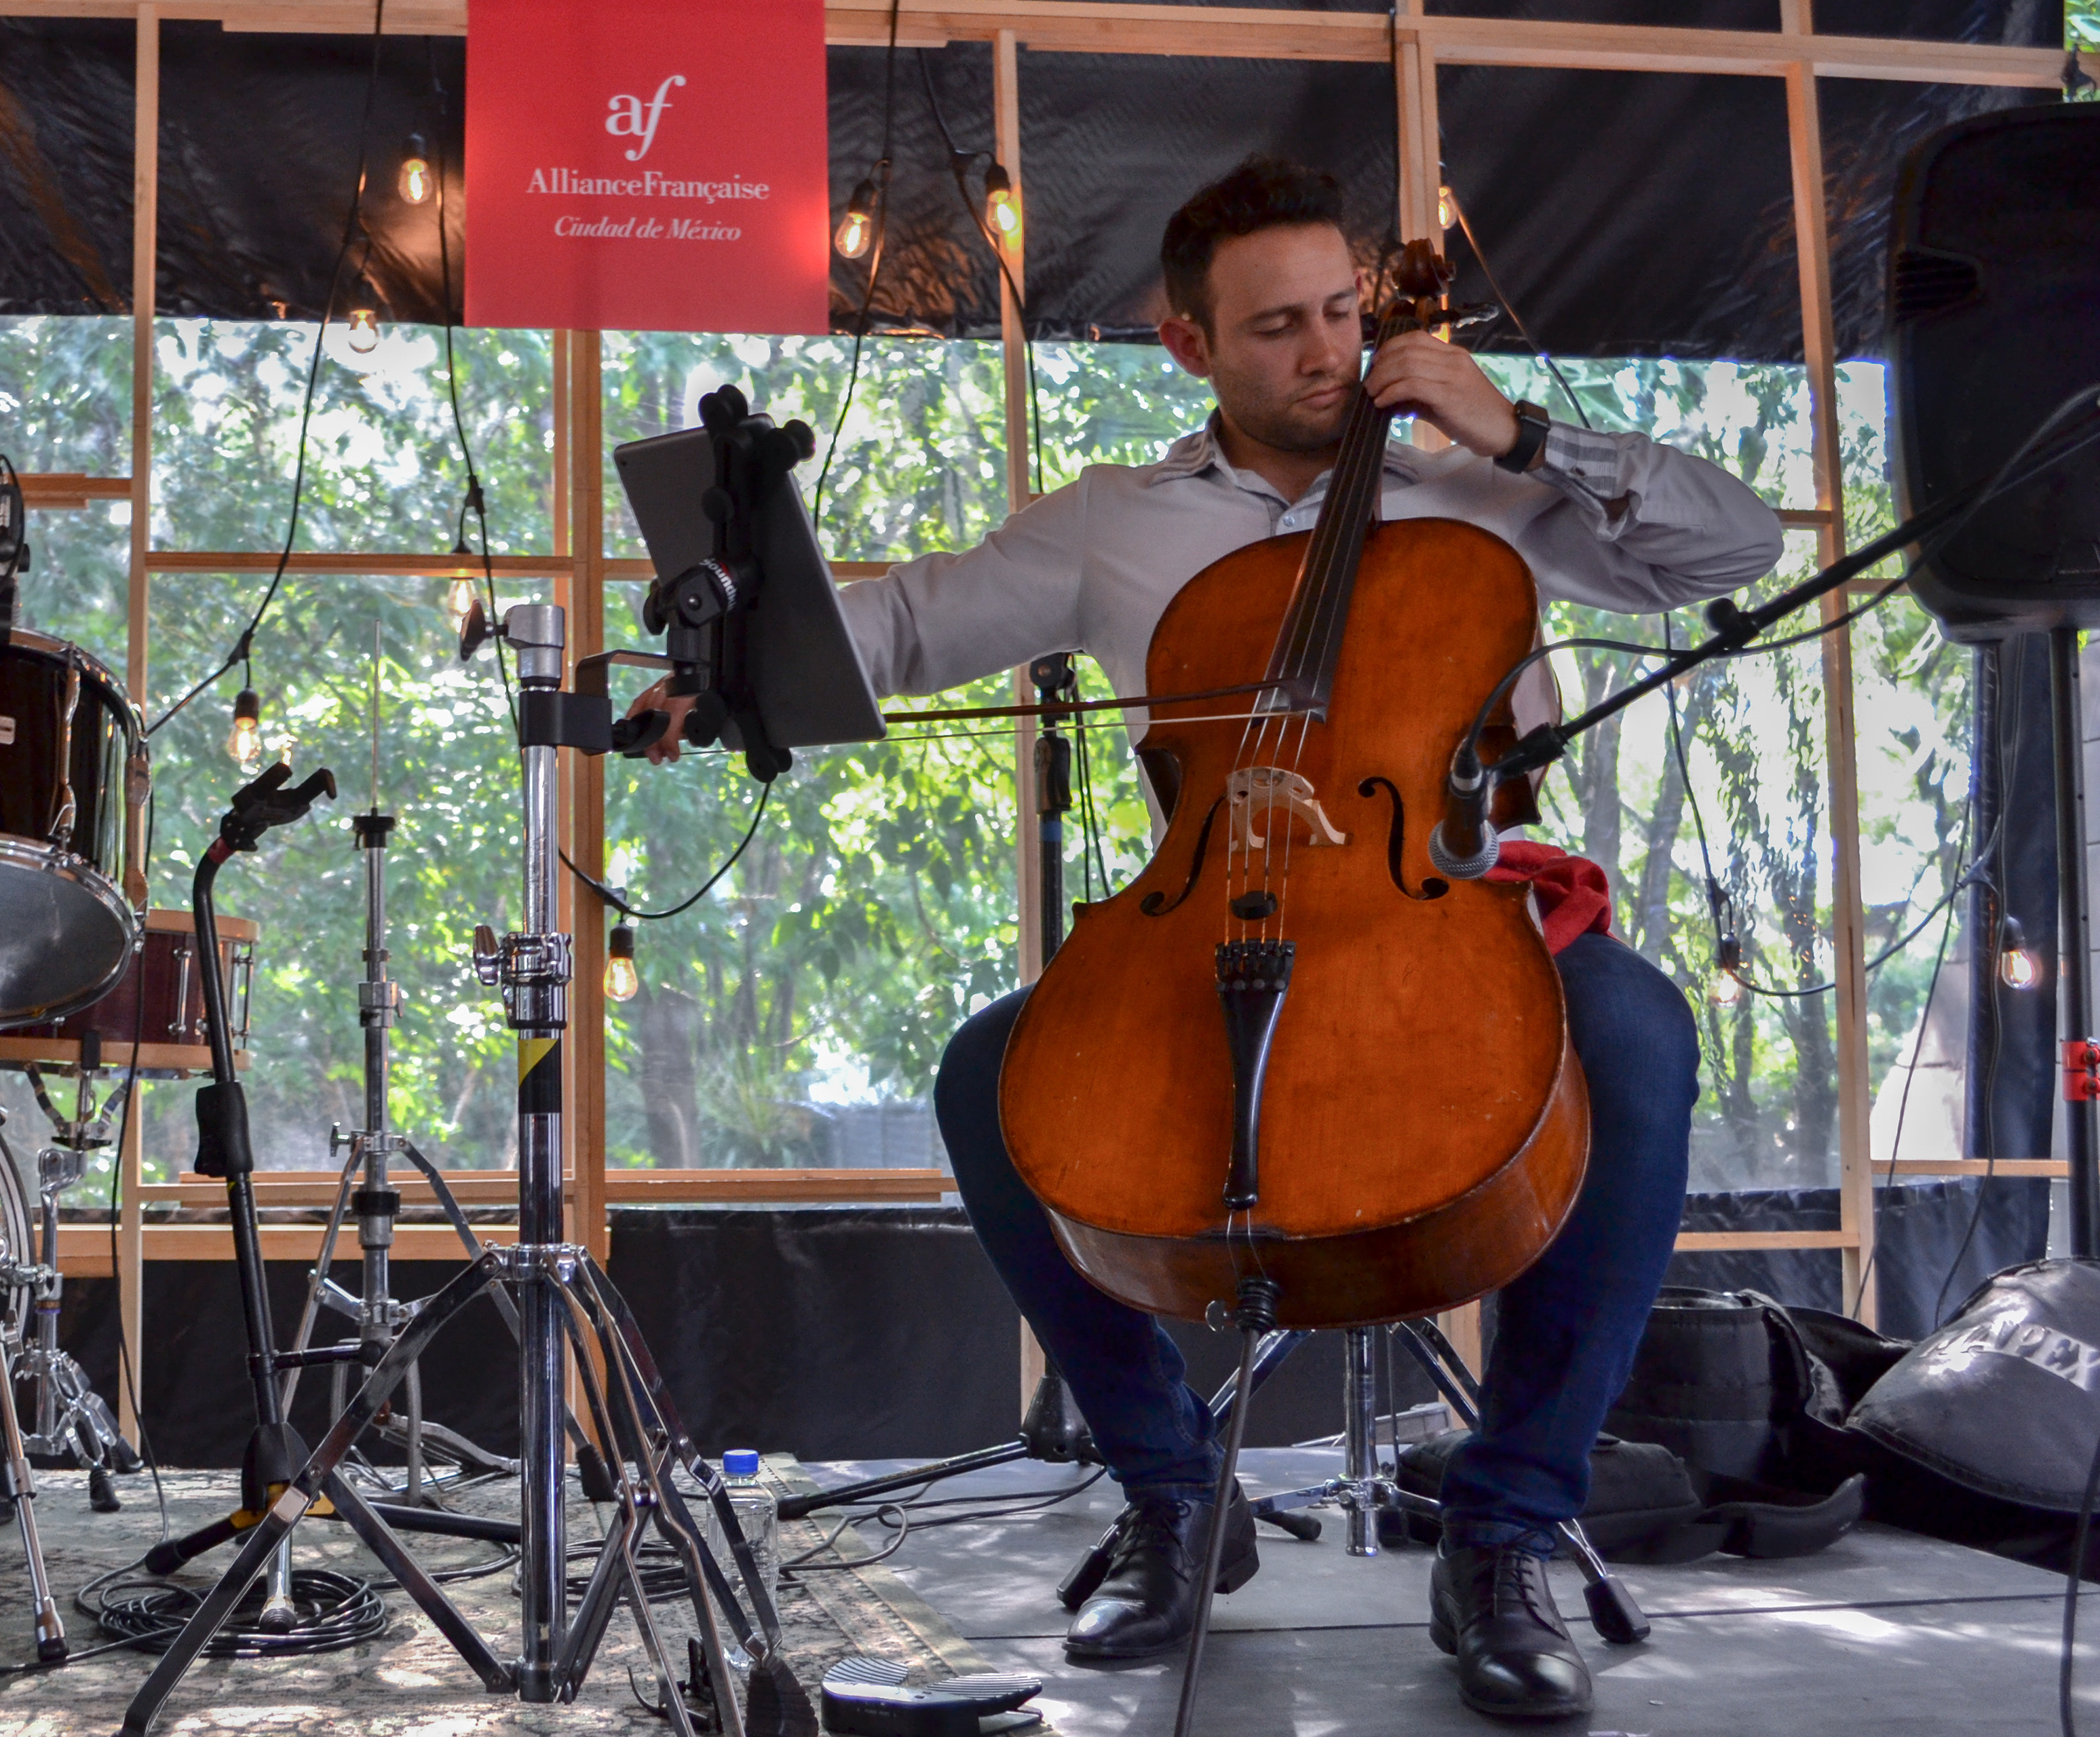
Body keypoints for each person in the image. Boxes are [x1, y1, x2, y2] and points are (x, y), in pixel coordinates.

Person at [630, 156, 1782, 1721]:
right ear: (1189, 344)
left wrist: (1524, 433)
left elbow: (1732, 548)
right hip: (1217, 915)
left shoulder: (1487, 493)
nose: (1328, 352)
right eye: (1276, 327)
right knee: (990, 1071)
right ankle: (1173, 1493)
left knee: (1637, 1034)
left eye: (1341, 312)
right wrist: (729, 660)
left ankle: (1508, 1529)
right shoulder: (1116, 522)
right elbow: (902, 626)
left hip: (1446, 911)